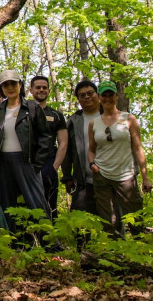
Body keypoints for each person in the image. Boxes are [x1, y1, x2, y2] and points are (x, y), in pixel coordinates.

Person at [0, 70, 51, 230]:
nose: (10, 87)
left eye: (13, 83)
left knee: (36, 202)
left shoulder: (32, 107)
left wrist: (37, 164)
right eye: (5, 84)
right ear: (1, 88)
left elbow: (46, 137)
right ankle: (13, 241)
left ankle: (48, 243)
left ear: (20, 85)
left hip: (27, 161)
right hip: (3, 163)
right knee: (8, 203)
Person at [88, 81, 153, 235]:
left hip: (126, 175)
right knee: (107, 221)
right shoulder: (94, 123)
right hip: (101, 175)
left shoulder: (129, 119)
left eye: (111, 95)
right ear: (99, 97)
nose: (108, 98)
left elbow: (138, 148)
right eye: (104, 95)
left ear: (117, 96)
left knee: (135, 216)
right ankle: (113, 254)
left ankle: (140, 252)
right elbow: (91, 149)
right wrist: (92, 164)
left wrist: (145, 177)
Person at [30, 75, 69, 220]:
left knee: (49, 203)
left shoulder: (56, 115)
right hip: (27, 163)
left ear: (49, 90)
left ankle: (52, 239)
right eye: (38, 87)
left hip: (48, 164)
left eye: (44, 87)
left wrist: (54, 166)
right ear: (31, 90)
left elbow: (63, 143)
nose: (41, 90)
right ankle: (30, 239)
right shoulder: (23, 112)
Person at [62, 80, 102, 215]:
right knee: (80, 224)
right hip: (82, 181)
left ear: (97, 94)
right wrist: (67, 176)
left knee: (111, 223)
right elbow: (67, 150)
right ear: (78, 99)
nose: (86, 97)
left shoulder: (110, 115)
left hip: (109, 179)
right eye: (82, 95)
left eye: (90, 93)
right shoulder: (74, 120)